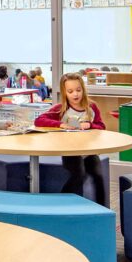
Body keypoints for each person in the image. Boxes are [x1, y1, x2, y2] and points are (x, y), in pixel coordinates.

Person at [36, 72, 106, 202]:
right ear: (65, 93)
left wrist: (90, 125)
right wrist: (61, 124)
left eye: (78, 90)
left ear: (83, 90)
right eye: (70, 91)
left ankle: (102, 209)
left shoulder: (91, 107)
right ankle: (62, 203)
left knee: (98, 177)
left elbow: (102, 126)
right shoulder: (60, 109)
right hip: (71, 151)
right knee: (79, 175)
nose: (75, 94)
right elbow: (39, 120)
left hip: (89, 150)